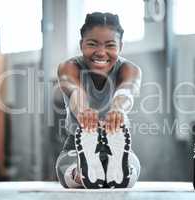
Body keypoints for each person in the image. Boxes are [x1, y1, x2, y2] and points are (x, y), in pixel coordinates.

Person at [56, 12, 142, 189]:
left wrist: (117, 109)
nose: (101, 52)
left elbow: (126, 91)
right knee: (66, 169)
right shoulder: (68, 67)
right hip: (78, 140)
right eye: (92, 44)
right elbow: (75, 91)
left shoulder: (129, 69)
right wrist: (83, 111)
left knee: (131, 168)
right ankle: (84, 172)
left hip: (116, 136)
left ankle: (115, 169)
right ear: (81, 44)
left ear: (121, 46)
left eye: (110, 45)